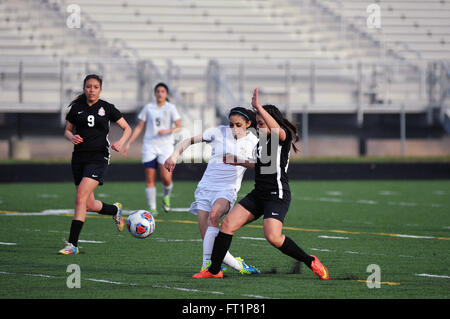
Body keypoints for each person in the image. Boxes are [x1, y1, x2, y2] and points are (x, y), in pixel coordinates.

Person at [193, 88, 330, 280]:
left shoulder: (281, 138)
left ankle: (310, 260)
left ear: (272, 121)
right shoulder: (261, 143)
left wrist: (258, 106)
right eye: (257, 124)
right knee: (227, 225)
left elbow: (276, 130)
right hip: (259, 194)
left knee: (273, 237)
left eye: (261, 123)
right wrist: (239, 161)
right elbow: (259, 166)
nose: (258, 127)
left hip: (277, 193)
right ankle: (214, 270)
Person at [164, 107, 260, 275]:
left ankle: (206, 267)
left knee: (214, 215)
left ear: (248, 124)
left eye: (238, 125)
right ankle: (238, 265)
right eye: (231, 124)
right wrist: (174, 155)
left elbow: (259, 166)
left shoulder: (254, 142)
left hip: (227, 189)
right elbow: (189, 140)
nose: (234, 128)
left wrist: (239, 161)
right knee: (209, 238)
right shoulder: (218, 132)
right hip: (205, 188)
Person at [59, 74, 132, 255]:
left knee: (80, 198)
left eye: (95, 87)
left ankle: (72, 245)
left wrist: (121, 142)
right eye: (89, 86)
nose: (92, 90)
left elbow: (127, 128)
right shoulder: (76, 108)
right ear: (84, 88)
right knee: (89, 204)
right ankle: (115, 210)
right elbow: (67, 130)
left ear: (100, 89)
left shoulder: (106, 108)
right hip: (79, 159)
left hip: (98, 158)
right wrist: (71, 137)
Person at [122, 83, 181, 214]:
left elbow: (178, 126)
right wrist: (129, 142)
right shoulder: (148, 108)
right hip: (149, 146)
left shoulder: (171, 108)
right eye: (158, 91)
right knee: (150, 178)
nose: (160, 94)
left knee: (166, 178)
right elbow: (139, 127)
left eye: (163, 91)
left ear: (166, 94)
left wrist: (167, 131)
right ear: (155, 93)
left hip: (166, 146)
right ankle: (152, 208)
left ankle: (166, 196)